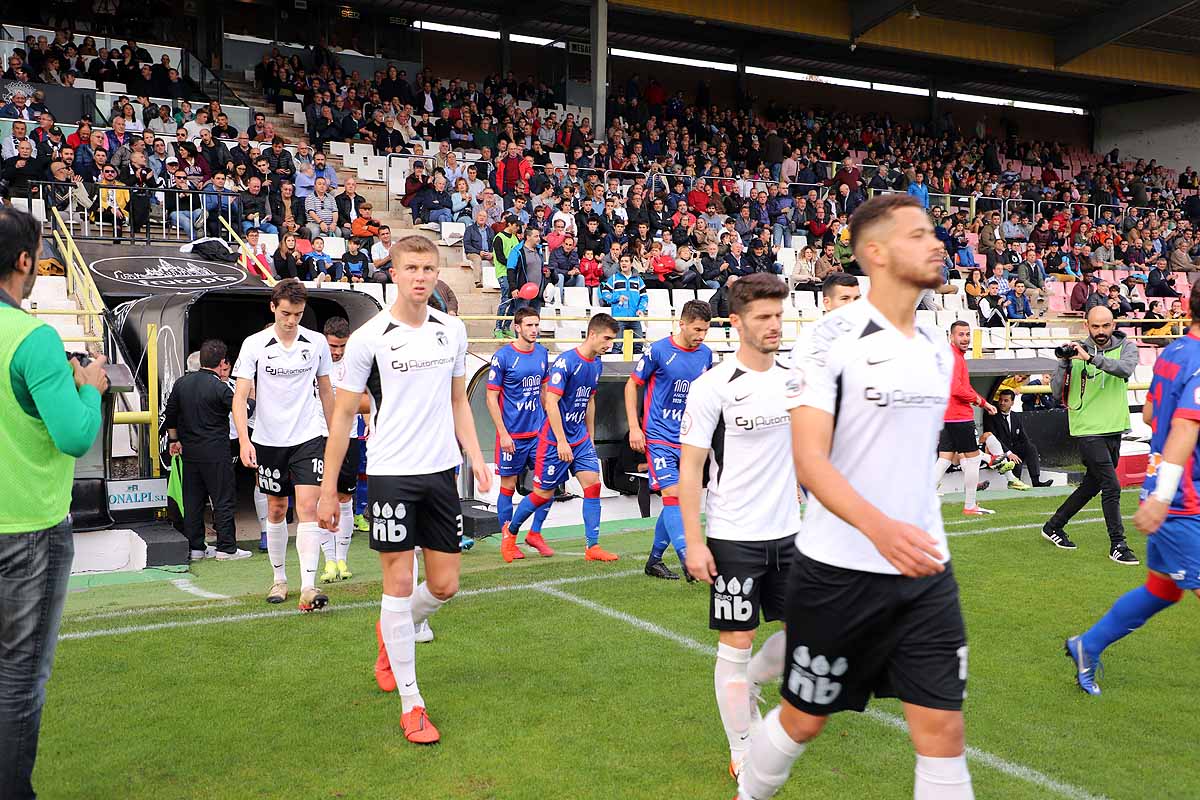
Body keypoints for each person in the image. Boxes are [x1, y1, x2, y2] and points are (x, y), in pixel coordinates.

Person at [734, 193, 973, 800]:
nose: (936, 242)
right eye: (918, 234)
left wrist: (906, 534)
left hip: (924, 570)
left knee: (942, 731)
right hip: (838, 571)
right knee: (803, 720)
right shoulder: (831, 339)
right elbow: (810, 460)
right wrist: (880, 528)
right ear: (876, 253)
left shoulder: (937, 346)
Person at [316, 235, 490, 745]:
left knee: (443, 585)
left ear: (438, 274)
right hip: (392, 472)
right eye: (411, 267)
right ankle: (412, 704)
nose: (421, 276)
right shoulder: (371, 337)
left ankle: (391, 633)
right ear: (393, 273)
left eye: (429, 268)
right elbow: (343, 415)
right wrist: (329, 489)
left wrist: (475, 456)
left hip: (440, 473)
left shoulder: (452, 331)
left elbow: (459, 399)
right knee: (396, 582)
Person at [0, 208, 107, 800]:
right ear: (23, 262)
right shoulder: (32, 336)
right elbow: (73, 435)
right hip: (28, 529)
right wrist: (88, 387)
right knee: (19, 675)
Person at [677, 274, 797, 779]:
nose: (773, 325)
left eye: (778, 315)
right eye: (763, 317)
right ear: (737, 322)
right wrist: (695, 541)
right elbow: (690, 469)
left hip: (791, 533)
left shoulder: (796, 378)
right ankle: (743, 749)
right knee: (736, 641)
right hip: (733, 537)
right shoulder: (712, 387)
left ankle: (747, 683)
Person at [1065, 283, 1200, 695]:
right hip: (1181, 501)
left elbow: (1151, 412)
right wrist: (1163, 496)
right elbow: (1182, 426)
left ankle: (1087, 646)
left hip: (1172, 490)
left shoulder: (1175, 352)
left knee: (1162, 590)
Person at [232, 279, 336, 610]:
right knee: (277, 509)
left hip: (307, 437)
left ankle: (308, 585)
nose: (292, 321)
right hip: (268, 440)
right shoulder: (254, 344)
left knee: (307, 508)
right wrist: (244, 440)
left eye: (299, 314)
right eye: (287, 313)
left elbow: (327, 390)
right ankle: (279, 578)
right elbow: (238, 396)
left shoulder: (317, 343)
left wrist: (334, 434)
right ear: (273, 308)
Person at [502, 314, 620, 562]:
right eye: (607, 338)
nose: (609, 344)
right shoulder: (566, 362)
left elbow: (589, 400)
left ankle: (592, 547)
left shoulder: (596, 363)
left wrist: (590, 436)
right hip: (554, 441)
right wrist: (562, 440)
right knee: (542, 494)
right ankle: (511, 534)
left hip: (579, 439)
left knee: (593, 485)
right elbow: (552, 403)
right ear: (593, 334)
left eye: (612, 339)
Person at [1041, 306, 1140, 564]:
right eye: (1095, 326)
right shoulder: (1075, 351)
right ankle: (1118, 544)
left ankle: (1053, 526)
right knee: (1112, 485)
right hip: (1086, 428)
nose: (1100, 331)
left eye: (1105, 326)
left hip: (1113, 427)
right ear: (1087, 326)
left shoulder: (1127, 347)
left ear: (1113, 324)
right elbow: (1054, 392)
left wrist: (1090, 359)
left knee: (1091, 485)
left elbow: (1124, 370)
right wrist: (1064, 363)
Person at [626, 300, 714, 580]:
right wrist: (634, 427)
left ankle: (653, 560)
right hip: (659, 436)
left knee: (680, 500)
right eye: (697, 329)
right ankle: (688, 558)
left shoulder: (706, 355)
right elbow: (632, 385)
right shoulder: (659, 350)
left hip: (690, 438)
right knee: (673, 495)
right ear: (683, 324)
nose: (701, 335)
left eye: (706, 330)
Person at [164, 339, 251, 562]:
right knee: (222, 499)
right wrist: (251, 400)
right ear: (222, 362)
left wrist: (175, 440)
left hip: (190, 452)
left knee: (193, 501)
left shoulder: (182, 384)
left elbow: (171, 414)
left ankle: (196, 548)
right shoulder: (219, 387)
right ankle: (226, 548)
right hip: (216, 452)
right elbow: (241, 410)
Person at [487, 308, 555, 562]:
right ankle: (508, 540)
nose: (534, 330)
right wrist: (503, 433)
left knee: (547, 484)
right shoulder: (503, 357)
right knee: (508, 487)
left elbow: (546, 393)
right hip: (512, 435)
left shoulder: (541, 353)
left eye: (536, 325)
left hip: (538, 433)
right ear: (517, 327)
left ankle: (535, 533)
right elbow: (491, 398)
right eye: (529, 325)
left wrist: (551, 426)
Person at [317, 317, 369, 584]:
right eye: (333, 346)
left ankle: (342, 559)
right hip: (317, 438)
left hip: (348, 438)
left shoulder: (354, 364)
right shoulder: (314, 361)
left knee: (345, 499)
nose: (336, 351)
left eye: (341, 346)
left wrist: (366, 418)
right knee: (321, 498)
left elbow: (369, 398)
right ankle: (327, 561)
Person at [932, 320, 999, 515]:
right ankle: (970, 505)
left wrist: (983, 402)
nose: (965, 338)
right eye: (961, 334)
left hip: (948, 416)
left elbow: (963, 387)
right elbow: (957, 389)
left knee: (945, 458)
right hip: (958, 416)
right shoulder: (953, 357)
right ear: (951, 337)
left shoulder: (955, 357)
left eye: (967, 334)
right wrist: (982, 402)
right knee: (973, 459)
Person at [981, 388, 1051, 490]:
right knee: (1015, 460)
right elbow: (995, 439)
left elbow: (1023, 437)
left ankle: (1036, 482)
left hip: (1014, 449)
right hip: (1000, 451)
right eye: (1000, 400)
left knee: (1030, 448)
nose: (1002, 403)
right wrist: (1009, 453)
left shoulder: (1015, 416)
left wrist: (1025, 447)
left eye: (1006, 401)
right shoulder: (992, 416)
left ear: (1012, 403)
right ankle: (1014, 483)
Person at [600, 254, 648, 355]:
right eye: (622, 261)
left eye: (626, 261)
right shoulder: (613, 278)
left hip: (634, 318)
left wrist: (641, 309)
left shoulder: (639, 280)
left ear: (631, 264)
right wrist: (617, 298)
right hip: (618, 318)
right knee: (617, 346)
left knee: (638, 346)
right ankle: (614, 370)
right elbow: (605, 294)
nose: (623, 263)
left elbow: (644, 297)